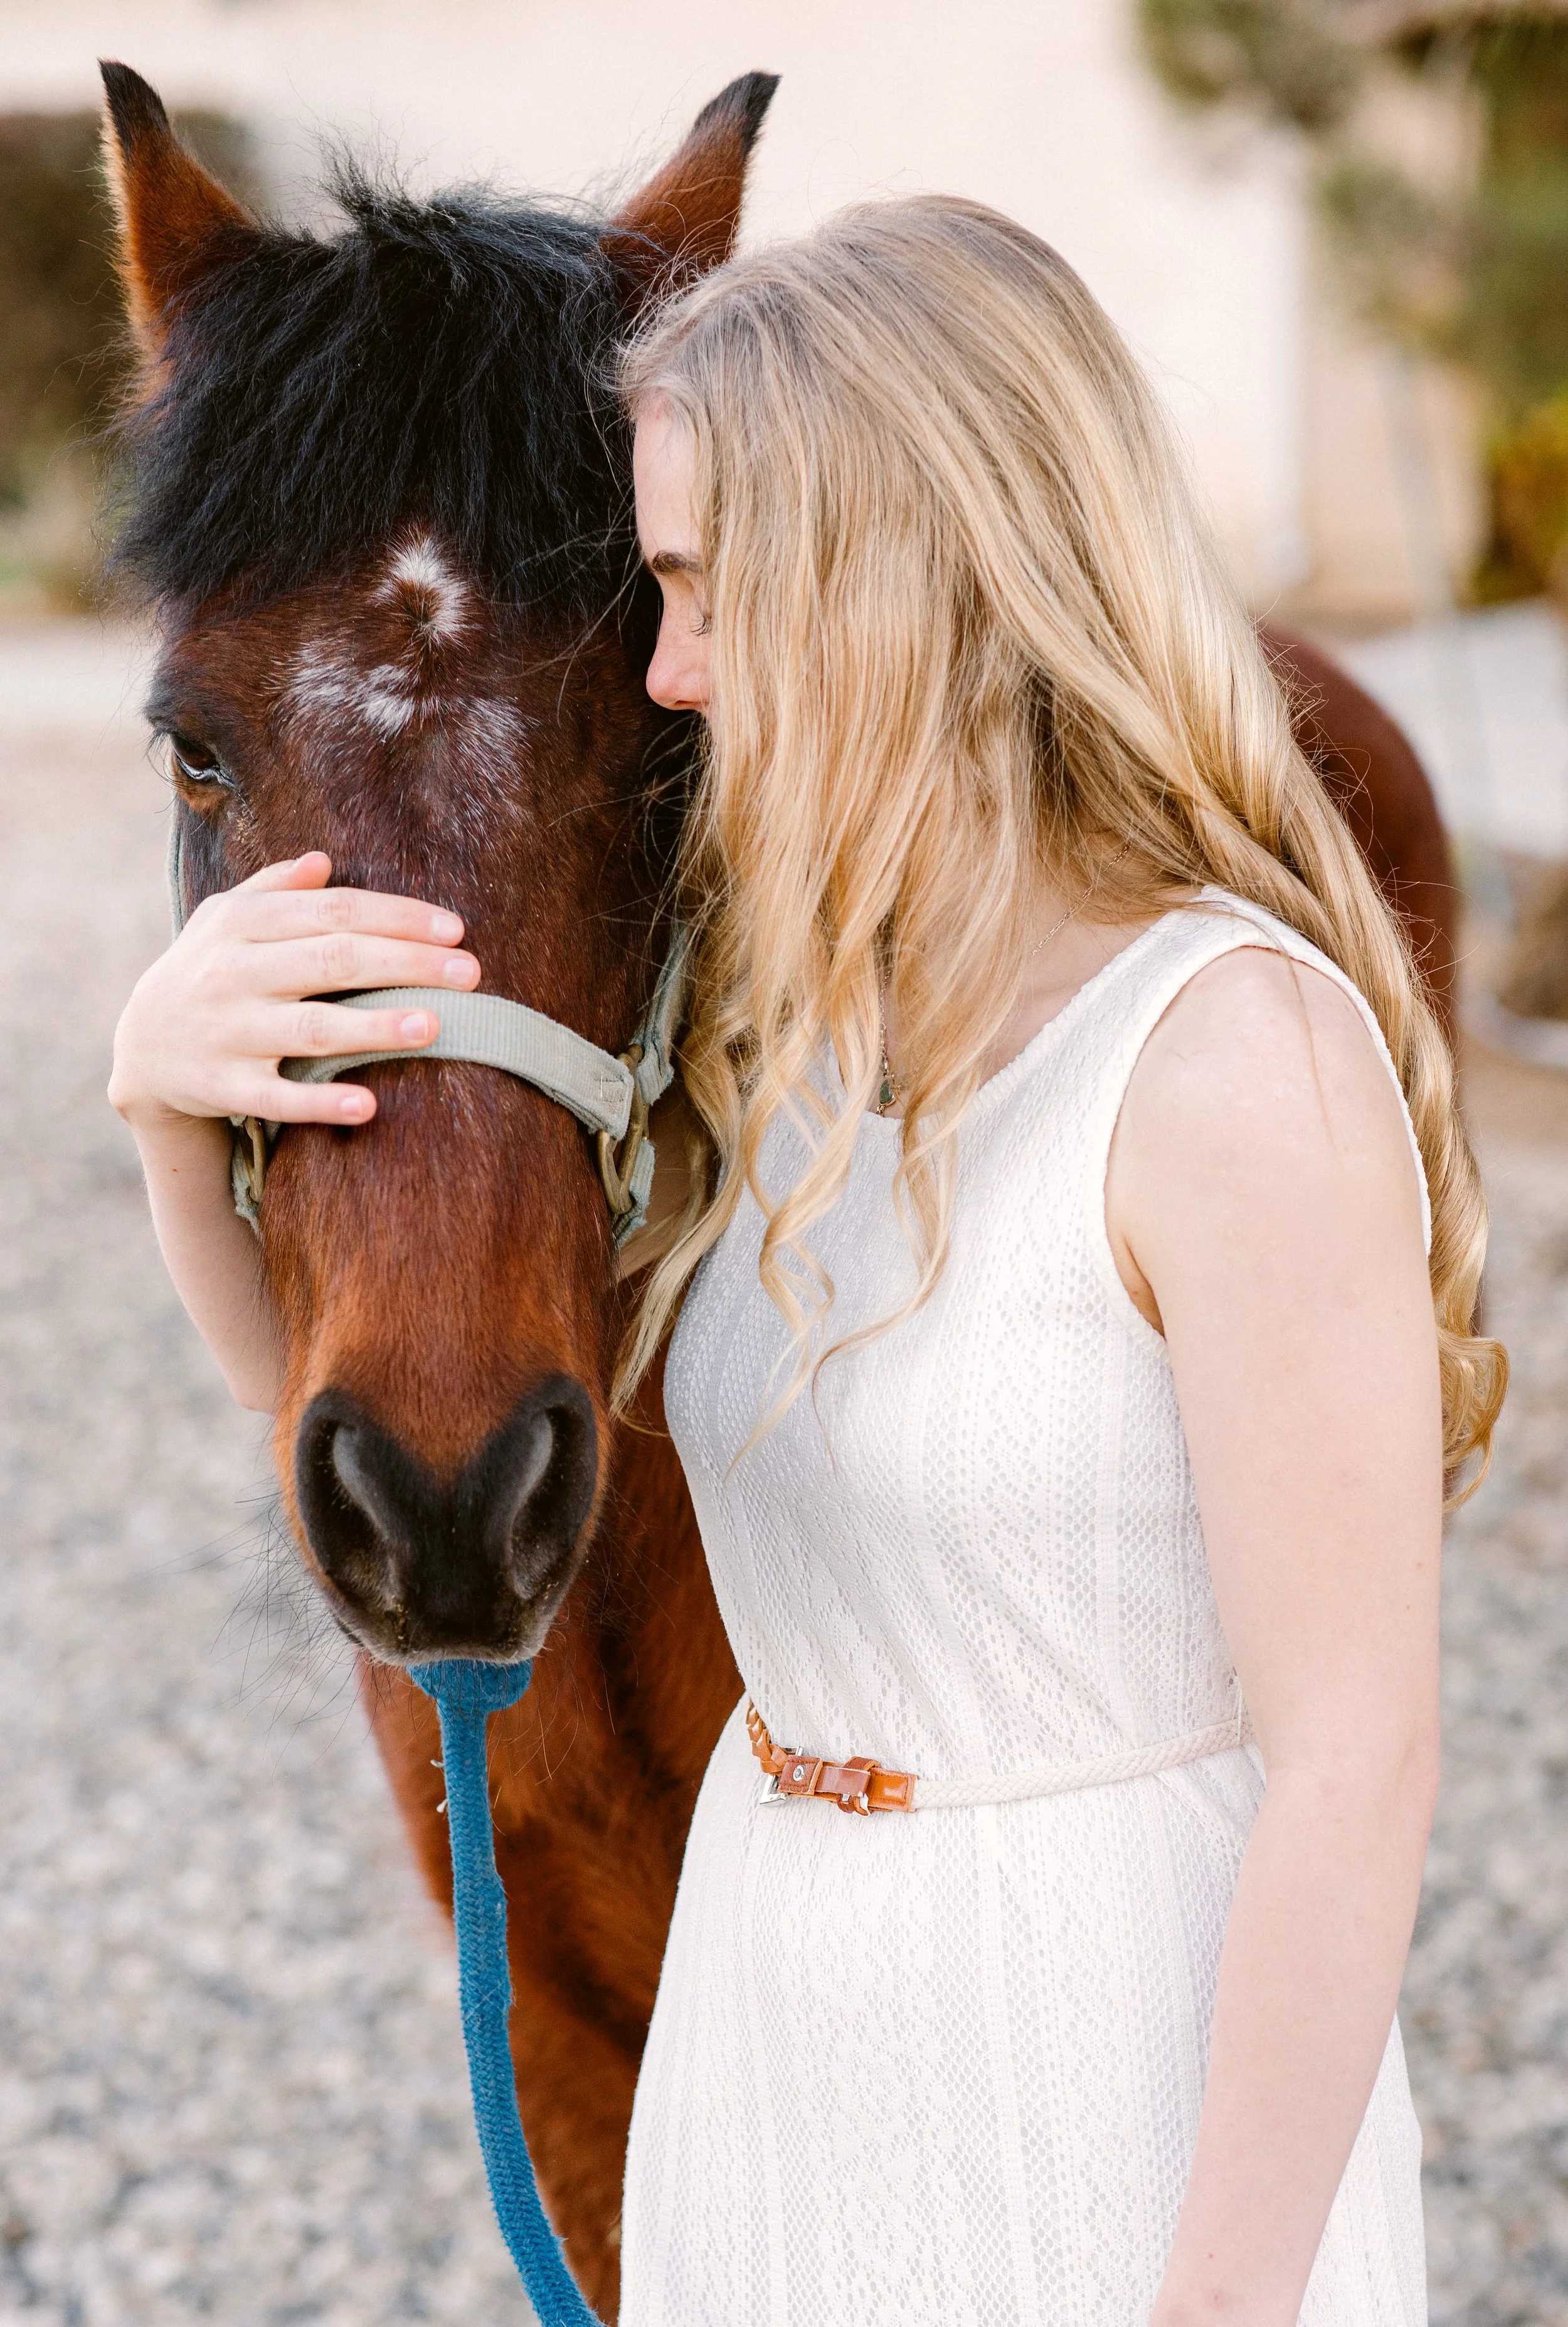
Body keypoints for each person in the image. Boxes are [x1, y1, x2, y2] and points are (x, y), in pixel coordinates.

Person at [108, 191, 1505, 2324]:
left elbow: (1355, 1760)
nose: (659, 673)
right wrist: (162, 1101)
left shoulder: (1232, 1064)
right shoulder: (775, 1041)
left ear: (914, 568)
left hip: (1089, 2071)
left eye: (692, 586)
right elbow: (361, 1464)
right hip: (775, 2072)